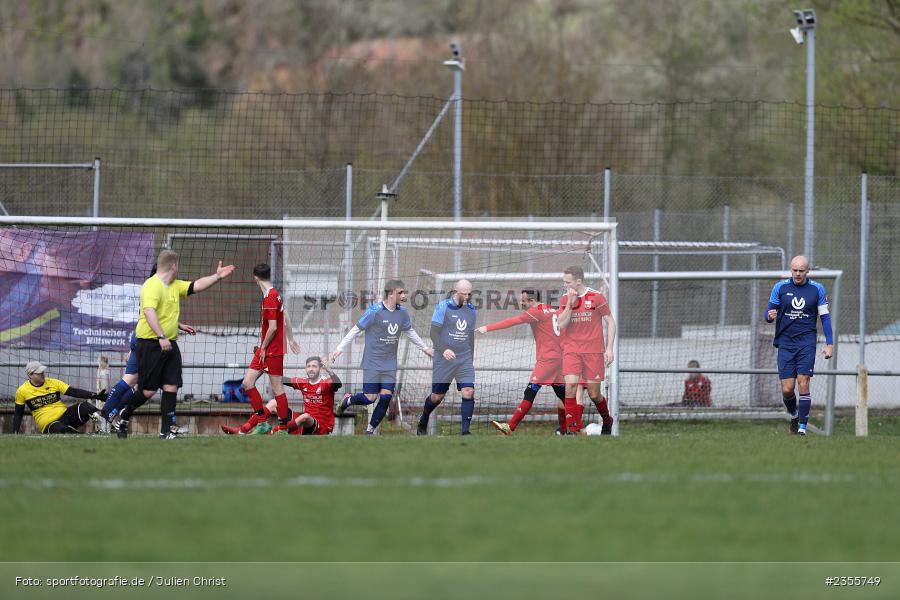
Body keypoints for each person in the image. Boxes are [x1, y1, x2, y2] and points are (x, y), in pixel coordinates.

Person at [116, 249, 234, 439]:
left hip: (170, 343)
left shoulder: (173, 285)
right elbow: (149, 312)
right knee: (147, 391)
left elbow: (195, 286)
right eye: (177, 265)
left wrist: (217, 276)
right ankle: (124, 414)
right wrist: (161, 336)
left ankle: (167, 431)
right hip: (151, 343)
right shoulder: (152, 285)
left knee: (171, 385)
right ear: (173, 266)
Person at [330, 279, 433, 434]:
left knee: (385, 397)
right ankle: (348, 400)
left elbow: (410, 332)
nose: (403, 295)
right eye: (400, 292)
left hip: (389, 363)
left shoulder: (402, 313)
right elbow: (356, 329)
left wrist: (425, 348)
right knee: (369, 398)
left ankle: (369, 431)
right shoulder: (374, 311)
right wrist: (339, 348)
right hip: (372, 362)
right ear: (390, 294)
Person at [477, 289, 567, 435]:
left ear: (531, 300)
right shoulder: (551, 309)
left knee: (530, 391)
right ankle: (571, 429)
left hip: (547, 359)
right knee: (562, 394)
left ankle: (510, 426)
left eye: (524, 300)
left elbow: (511, 322)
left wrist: (487, 328)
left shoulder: (535, 312)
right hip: (558, 358)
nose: (521, 303)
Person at [765, 255, 833, 436]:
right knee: (787, 389)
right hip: (785, 343)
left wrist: (830, 344)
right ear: (791, 270)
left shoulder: (817, 289)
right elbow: (768, 312)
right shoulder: (780, 288)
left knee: (804, 383)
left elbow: (825, 318)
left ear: (807, 271)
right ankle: (794, 416)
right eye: (794, 270)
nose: (797, 274)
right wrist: (769, 316)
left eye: (801, 271)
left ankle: (802, 428)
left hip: (806, 343)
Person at [240, 263, 301, 432]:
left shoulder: (271, 296)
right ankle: (262, 423)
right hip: (265, 349)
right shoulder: (273, 294)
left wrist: (265, 347)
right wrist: (290, 338)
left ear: (255, 278)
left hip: (272, 350)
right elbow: (286, 315)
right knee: (248, 382)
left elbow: (273, 327)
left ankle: (282, 428)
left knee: (277, 388)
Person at [556, 265, 616, 435]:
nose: (565, 286)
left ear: (578, 281)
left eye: (568, 283)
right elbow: (561, 324)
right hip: (571, 350)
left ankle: (607, 420)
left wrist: (609, 348)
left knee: (594, 394)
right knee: (571, 386)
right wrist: (569, 304)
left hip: (593, 352)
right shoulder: (563, 299)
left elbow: (611, 322)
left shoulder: (596, 297)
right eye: (564, 283)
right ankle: (573, 430)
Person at [222, 356, 342, 436]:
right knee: (274, 403)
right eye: (309, 366)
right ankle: (242, 430)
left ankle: (271, 434)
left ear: (320, 368)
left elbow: (338, 384)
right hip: (300, 426)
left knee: (305, 416)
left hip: (321, 428)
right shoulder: (303, 382)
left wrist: (329, 369)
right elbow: (280, 379)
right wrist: (267, 367)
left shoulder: (326, 382)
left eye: (314, 366)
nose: (311, 369)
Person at [417, 279, 477, 436]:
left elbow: (470, 336)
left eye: (470, 294)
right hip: (444, 359)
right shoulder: (443, 307)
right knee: (437, 397)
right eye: (464, 294)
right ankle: (423, 419)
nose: (468, 297)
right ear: (456, 293)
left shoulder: (472, 310)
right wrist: (443, 350)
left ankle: (465, 432)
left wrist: (470, 358)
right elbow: (433, 333)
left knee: (468, 391)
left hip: (464, 358)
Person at [12, 361, 106, 434]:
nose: (42, 374)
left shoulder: (53, 382)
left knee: (87, 407)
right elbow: (18, 414)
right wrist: (15, 433)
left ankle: (107, 426)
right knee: (61, 429)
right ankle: (78, 435)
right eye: (39, 373)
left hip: (66, 416)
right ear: (30, 375)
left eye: (42, 372)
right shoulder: (22, 390)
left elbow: (73, 391)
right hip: (49, 424)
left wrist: (95, 395)